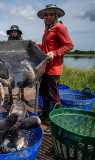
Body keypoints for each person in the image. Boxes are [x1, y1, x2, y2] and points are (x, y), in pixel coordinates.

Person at [37, 4, 74, 132]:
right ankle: (46, 115)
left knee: (53, 96)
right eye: (46, 15)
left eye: (51, 14)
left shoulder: (60, 27)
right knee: (44, 94)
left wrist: (55, 53)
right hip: (45, 68)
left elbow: (69, 45)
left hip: (54, 69)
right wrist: (39, 45)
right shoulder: (48, 30)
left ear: (56, 15)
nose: (48, 17)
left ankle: (57, 122)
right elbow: (48, 47)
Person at [6, 25, 29, 104]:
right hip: (11, 62)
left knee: (22, 80)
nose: (13, 33)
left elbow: (24, 50)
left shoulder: (21, 40)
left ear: (18, 32)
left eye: (15, 32)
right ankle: (10, 97)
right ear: (10, 33)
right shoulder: (9, 41)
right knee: (10, 80)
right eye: (12, 32)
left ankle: (22, 96)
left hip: (20, 62)